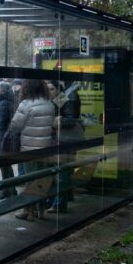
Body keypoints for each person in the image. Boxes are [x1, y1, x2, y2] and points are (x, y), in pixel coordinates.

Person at [8, 79, 55, 221]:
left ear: (27, 89)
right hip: (45, 149)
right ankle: (41, 211)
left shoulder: (26, 104)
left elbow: (15, 126)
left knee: (30, 180)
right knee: (42, 180)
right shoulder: (49, 104)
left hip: (29, 149)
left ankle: (29, 211)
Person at [46, 80, 84, 213]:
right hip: (63, 142)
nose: (49, 91)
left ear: (58, 89)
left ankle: (59, 205)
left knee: (62, 172)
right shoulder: (57, 99)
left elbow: (71, 119)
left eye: (51, 89)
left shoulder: (62, 99)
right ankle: (67, 197)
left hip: (66, 142)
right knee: (66, 170)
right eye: (47, 89)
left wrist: (56, 121)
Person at [0, 81, 17, 199]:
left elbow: (0, 123)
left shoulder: (2, 103)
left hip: (2, 138)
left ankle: (7, 190)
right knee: (7, 165)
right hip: (8, 137)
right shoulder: (11, 100)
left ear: (2, 91)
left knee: (4, 166)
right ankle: (11, 189)